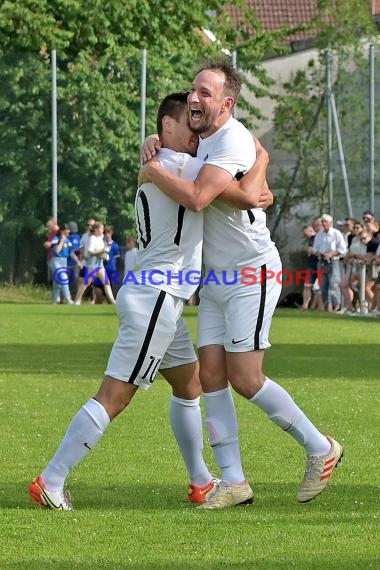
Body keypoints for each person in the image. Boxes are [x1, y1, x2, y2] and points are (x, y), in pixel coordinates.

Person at [29, 92, 269, 511]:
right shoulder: (179, 165)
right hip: (157, 296)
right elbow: (243, 191)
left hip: (160, 295)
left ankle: (199, 482)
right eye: (188, 128)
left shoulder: (162, 163)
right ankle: (51, 479)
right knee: (115, 395)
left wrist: (150, 147)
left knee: (189, 383)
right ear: (167, 126)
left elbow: (177, 167)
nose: (197, 138)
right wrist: (259, 165)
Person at [141, 57, 343, 509]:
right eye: (193, 91)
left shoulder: (230, 139)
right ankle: (233, 481)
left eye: (205, 94)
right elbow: (234, 182)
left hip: (252, 273)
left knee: (246, 378)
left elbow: (196, 197)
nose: (194, 98)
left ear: (227, 104)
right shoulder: (205, 140)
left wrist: (154, 168)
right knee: (210, 375)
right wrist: (157, 141)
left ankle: (320, 447)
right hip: (216, 278)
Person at [74, 222, 116, 305]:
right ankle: (77, 300)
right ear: (96, 230)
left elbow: (101, 249)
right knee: (86, 283)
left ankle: (112, 301)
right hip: (92, 264)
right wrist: (103, 251)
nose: (103, 230)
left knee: (106, 283)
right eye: (101, 229)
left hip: (100, 264)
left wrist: (104, 251)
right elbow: (90, 252)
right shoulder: (92, 238)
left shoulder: (100, 238)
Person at [313, 214, 347, 313]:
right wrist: (319, 253)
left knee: (334, 284)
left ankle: (337, 305)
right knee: (323, 284)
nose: (323, 223)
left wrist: (332, 253)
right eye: (322, 221)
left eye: (325, 221)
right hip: (321, 261)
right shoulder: (319, 234)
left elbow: (343, 250)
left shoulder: (336, 234)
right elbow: (315, 248)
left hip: (334, 261)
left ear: (330, 223)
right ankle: (327, 305)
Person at [49, 223, 80, 305]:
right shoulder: (56, 238)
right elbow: (56, 251)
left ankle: (54, 299)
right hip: (56, 261)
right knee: (63, 278)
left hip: (64, 261)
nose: (69, 231)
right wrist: (62, 241)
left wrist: (78, 261)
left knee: (57, 282)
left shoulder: (68, 241)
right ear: (63, 231)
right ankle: (68, 299)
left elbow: (71, 253)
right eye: (67, 229)